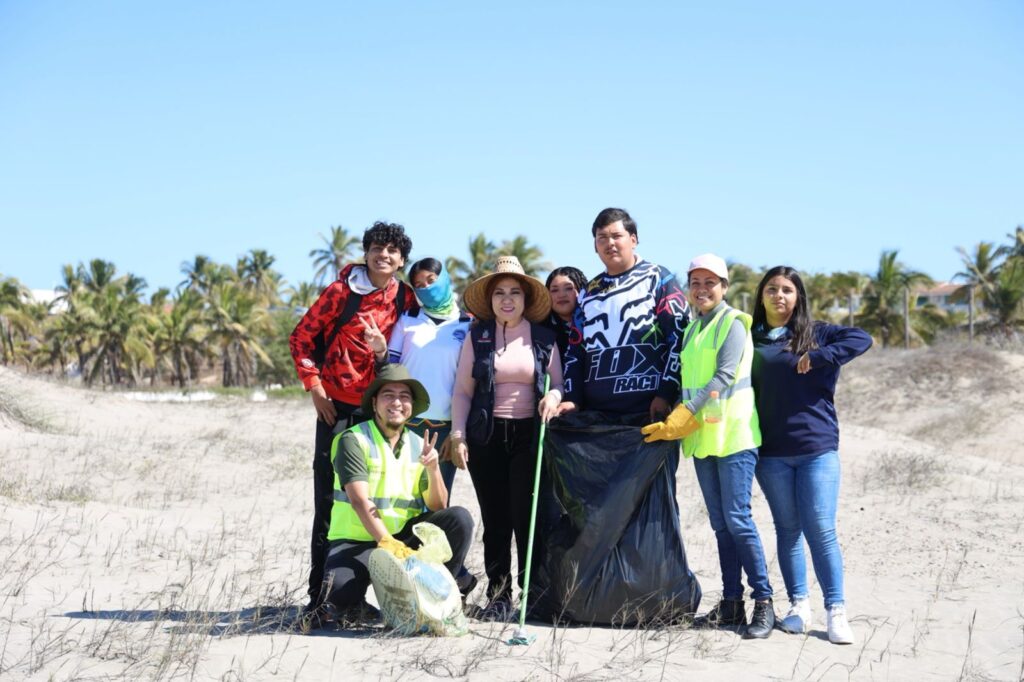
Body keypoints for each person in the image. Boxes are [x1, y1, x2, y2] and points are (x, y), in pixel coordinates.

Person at [642, 253, 775, 639]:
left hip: (733, 436)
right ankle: (732, 602)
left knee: (737, 519)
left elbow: (725, 374)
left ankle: (763, 602)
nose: (702, 290)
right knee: (720, 525)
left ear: (724, 286)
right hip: (703, 438)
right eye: (695, 283)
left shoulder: (733, 323)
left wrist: (685, 411)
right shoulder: (691, 329)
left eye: (710, 283)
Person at [289, 221, 417, 613]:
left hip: (380, 413)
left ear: (401, 260)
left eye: (393, 250)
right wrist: (315, 388)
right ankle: (318, 598)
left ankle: (371, 595)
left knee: (381, 501)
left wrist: (381, 355)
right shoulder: (340, 293)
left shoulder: (405, 299)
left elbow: (410, 347)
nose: (385, 255)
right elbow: (301, 339)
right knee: (329, 502)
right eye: (378, 248)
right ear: (366, 252)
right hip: (336, 409)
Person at [750, 266, 872, 645]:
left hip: (816, 448)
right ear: (762, 296)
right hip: (770, 452)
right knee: (787, 531)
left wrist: (820, 357)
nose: (779, 296)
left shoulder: (817, 333)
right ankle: (799, 606)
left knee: (820, 527)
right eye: (772, 289)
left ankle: (836, 610)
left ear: (798, 296)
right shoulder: (750, 336)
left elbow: (862, 338)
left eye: (787, 289)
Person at [308, 364, 474, 626]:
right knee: (338, 592)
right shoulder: (353, 439)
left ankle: (436, 596)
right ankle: (357, 606)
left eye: (404, 396)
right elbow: (359, 500)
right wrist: (387, 542)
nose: (397, 402)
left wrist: (433, 470)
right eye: (388, 395)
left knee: (459, 519)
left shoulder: (419, 443)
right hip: (358, 540)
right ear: (374, 403)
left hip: (404, 538)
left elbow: (439, 505)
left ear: (411, 407)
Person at [449, 256, 565, 617]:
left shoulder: (544, 337)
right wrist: (458, 435)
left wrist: (555, 396)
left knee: (526, 518)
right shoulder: (477, 335)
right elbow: (463, 391)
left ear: (526, 298)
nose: (507, 299)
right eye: (500, 292)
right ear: (491, 299)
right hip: (486, 436)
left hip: (529, 436)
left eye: (515, 291)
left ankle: (533, 596)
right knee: (496, 520)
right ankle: (499, 598)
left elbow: (558, 383)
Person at [563, 207, 689, 421]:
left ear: (633, 240)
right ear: (595, 246)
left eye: (616, 236)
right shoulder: (588, 292)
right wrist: (573, 398)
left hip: (649, 411)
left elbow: (680, 339)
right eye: (602, 237)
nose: (609, 243)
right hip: (596, 415)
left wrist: (666, 394)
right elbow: (575, 351)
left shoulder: (658, 278)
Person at [375, 258, 471, 497]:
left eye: (431, 280)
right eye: (419, 285)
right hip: (407, 423)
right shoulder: (408, 319)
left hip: (445, 428)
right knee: (401, 495)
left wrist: (457, 432)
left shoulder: (468, 323)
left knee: (437, 498)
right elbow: (391, 370)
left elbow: (470, 384)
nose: (426, 288)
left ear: (446, 279)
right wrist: (379, 351)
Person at [543, 266, 587, 361]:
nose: (561, 295)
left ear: (582, 291)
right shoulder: (540, 332)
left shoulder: (595, 325)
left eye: (568, 288)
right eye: (554, 290)